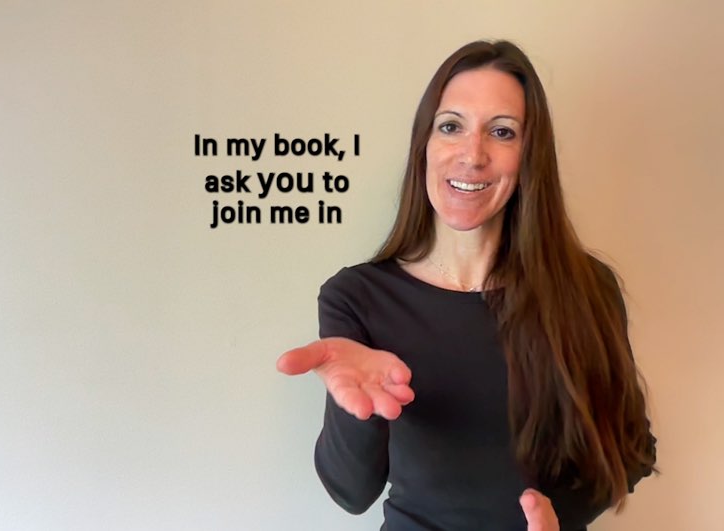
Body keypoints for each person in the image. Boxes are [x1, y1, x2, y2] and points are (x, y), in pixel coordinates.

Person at [276, 40, 657, 531]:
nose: (472, 155)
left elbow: (631, 450)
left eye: (502, 132)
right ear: (425, 144)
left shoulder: (586, 289)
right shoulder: (357, 297)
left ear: (529, 156)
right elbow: (351, 492)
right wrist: (358, 411)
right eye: (451, 126)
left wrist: (559, 520)